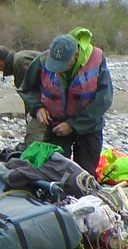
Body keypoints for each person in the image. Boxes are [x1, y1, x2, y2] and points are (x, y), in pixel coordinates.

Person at [18, 27, 113, 177]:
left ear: (75, 56)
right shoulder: (42, 60)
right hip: (56, 127)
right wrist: (38, 108)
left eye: (62, 66)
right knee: (53, 172)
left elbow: (104, 100)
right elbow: (27, 89)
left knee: (85, 175)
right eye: (54, 65)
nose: (57, 71)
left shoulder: (97, 59)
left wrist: (73, 125)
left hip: (88, 127)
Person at [0, 45, 47, 146]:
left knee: (34, 139)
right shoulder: (18, 61)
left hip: (45, 107)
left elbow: (37, 86)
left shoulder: (20, 61)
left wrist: (37, 109)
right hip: (44, 106)